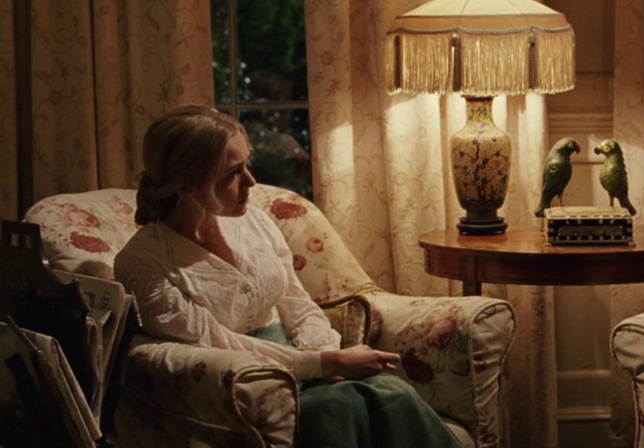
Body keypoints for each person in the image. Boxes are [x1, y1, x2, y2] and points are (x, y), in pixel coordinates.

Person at [114, 104, 460, 447]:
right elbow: (213, 343)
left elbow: (297, 304)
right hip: (247, 391)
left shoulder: (254, 222)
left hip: (307, 363)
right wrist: (322, 363)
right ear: (187, 185)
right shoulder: (142, 261)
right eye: (232, 173)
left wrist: (327, 356)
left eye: (246, 164)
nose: (251, 181)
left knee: (391, 391)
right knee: (335, 408)